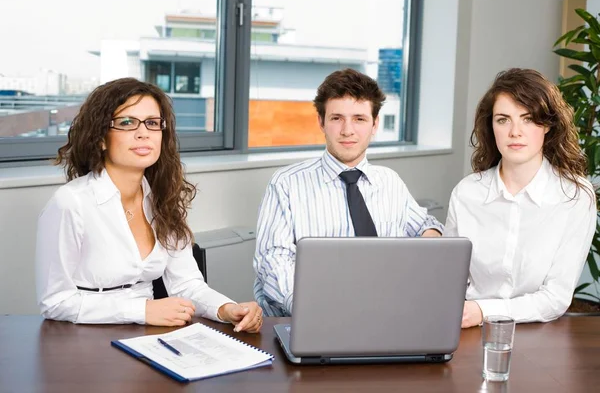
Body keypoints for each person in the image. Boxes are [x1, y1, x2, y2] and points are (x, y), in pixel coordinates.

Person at [36, 78, 263, 332]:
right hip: (85, 339)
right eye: (127, 122)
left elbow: (187, 285)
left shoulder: (162, 200)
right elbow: (55, 302)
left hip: (149, 335)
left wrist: (227, 309)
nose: (143, 132)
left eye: (152, 123)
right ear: (101, 138)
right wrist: (142, 310)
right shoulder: (71, 202)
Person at [253, 68, 444, 316]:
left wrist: (428, 245)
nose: (347, 130)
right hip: (308, 315)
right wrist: (311, 308)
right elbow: (273, 260)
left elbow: (425, 224)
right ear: (321, 122)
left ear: (375, 124)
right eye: (337, 118)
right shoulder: (286, 184)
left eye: (359, 119)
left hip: (383, 312)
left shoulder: (390, 182)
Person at [445, 68, 596, 327]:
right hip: (467, 331)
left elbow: (555, 298)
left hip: (540, 336)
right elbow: (447, 278)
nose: (515, 131)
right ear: (491, 126)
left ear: (547, 125)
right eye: (503, 119)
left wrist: (483, 311)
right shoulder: (466, 193)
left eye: (527, 119)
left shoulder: (574, 196)